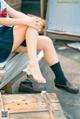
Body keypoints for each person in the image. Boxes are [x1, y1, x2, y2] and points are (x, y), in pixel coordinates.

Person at [0, 0, 79, 94]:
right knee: (27, 24)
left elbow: (15, 13)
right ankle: (33, 64)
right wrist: (28, 21)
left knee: (46, 42)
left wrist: (35, 21)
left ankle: (61, 80)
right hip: (2, 43)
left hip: (8, 40)